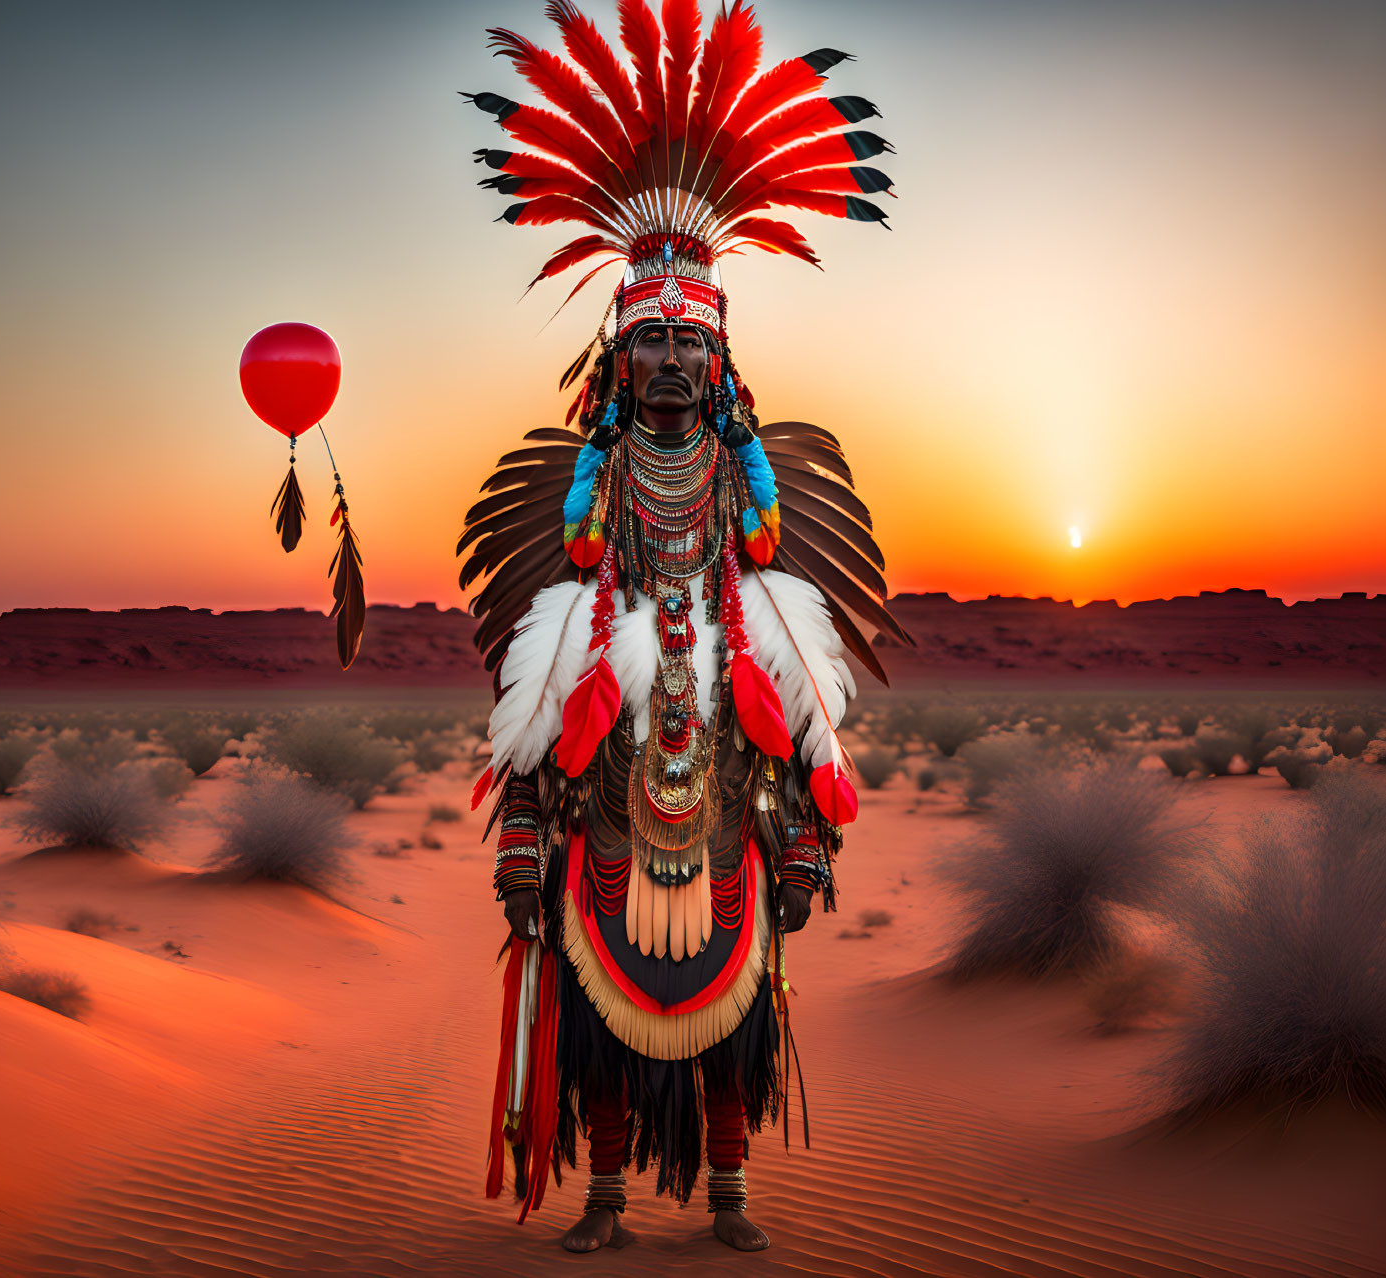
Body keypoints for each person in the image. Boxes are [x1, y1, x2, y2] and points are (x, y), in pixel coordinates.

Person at [458, 0, 910, 1253]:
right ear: (614, 360)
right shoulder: (580, 505)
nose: (666, 361)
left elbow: (795, 673)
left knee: (738, 1021)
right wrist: (525, 838)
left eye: (687, 342)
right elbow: (540, 676)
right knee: (601, 1024)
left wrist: (809, 828)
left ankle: (728, 1197)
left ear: (722, 360)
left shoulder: (764, 506)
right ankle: (602, 1197)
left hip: (724, 798)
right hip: (606, 795)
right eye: (645, 339)